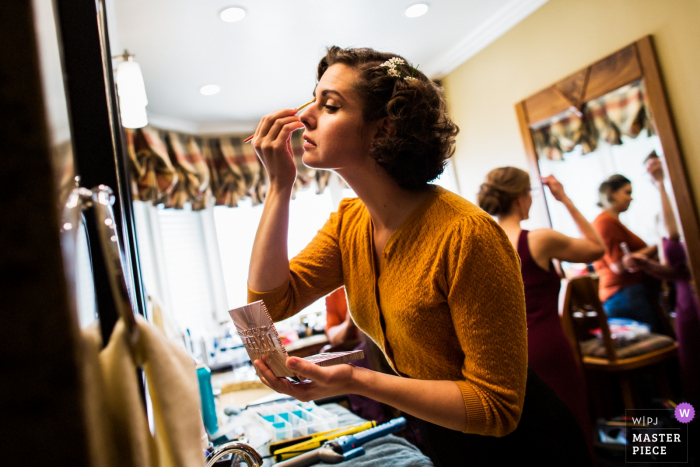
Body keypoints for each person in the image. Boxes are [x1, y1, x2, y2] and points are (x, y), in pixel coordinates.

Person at [245, 46, 591, 465]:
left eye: (330, 105)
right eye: (312, 99)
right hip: (442, 436)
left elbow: (496, 409)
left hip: (525, 449)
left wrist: (358, 381)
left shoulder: (466, 235)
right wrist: (279, 187)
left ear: (383, 129)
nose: (305, 117)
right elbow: (271, 303)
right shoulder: (348, 223)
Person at [478, 167, 604, 458]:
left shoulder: (483, 243)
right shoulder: (539, 240)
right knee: (572, 427)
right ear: (521, 199)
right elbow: (596, 248)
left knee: (536, 443)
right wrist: (564, 199)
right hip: (548, 347)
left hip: (507, 354)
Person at [627, 154, 700, 401]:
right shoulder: (659, 218)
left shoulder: (689, 207)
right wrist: (646, 264)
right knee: (692, 363)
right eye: (649, 172)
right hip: (684, 299)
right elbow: (674, 269)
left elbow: (676, 234)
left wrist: (661, 184)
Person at [592, 174, 663, 332]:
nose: (631, 198)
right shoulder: (605, 223)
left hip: (628, 294)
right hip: (625, 294)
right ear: (611, 193)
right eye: (627, 192)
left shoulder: (613, 223)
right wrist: (659, 244)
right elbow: (619, 265)